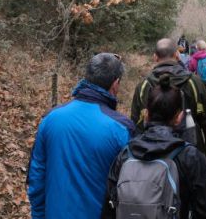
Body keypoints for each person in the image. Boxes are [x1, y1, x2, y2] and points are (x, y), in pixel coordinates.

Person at [27, 53, 134, 219]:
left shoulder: (50, 118)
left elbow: (36, 177)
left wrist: (39, 215)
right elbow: (129, 190)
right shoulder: (122, 129)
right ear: (115, 84)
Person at [103, 74, 206, 219]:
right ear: (179, 117)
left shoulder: (126, 154)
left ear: (146, 115)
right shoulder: (189, 156)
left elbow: (109, 207)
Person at [130, 38, 206, 170]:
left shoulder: (144, 85)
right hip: (191, 153)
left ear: (155, 57)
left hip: (153, 157)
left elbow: (136, 124)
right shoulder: (193, 82)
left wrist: (136, 157)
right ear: (177, 55)